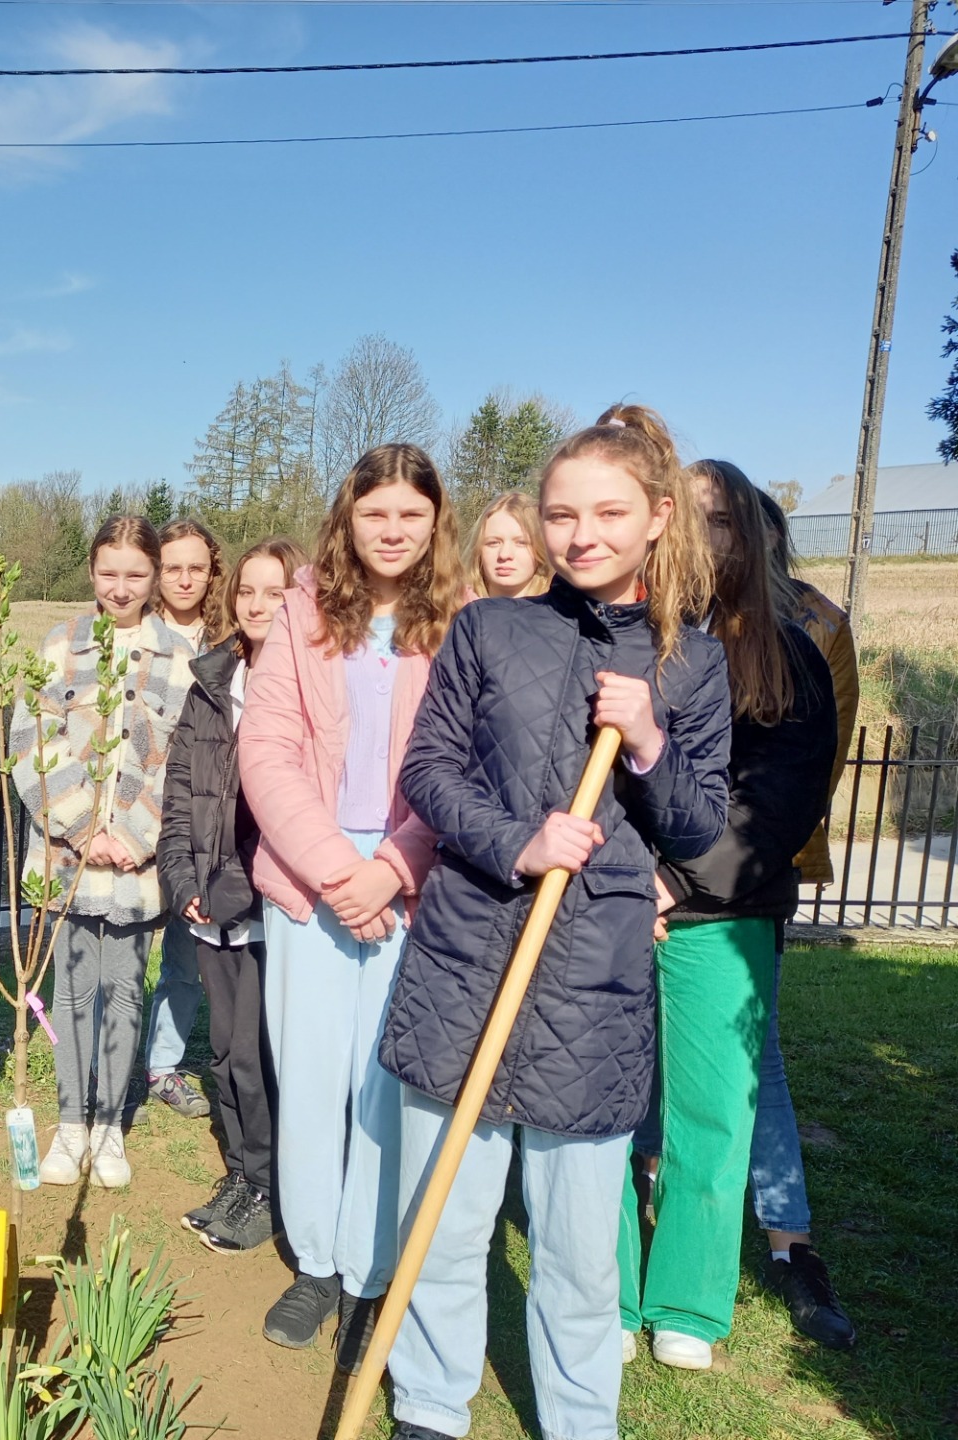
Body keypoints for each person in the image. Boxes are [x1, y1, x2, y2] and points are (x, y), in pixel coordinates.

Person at [378, 404, 731, 1440]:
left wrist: (649, 743)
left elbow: (702, 826)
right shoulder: (492, 628)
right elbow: (428, 772)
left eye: (609, 512)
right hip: (468, 961)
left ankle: (581, 1422)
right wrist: (516, 841)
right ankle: (431, 1407)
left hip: (592, 986)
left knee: (578, 1254)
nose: (583, 534)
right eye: (563, 513)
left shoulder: (692, 663)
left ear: (659, 516)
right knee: (441, 1224)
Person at [237, 446, 462, 1368]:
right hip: (310, 880)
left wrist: (397, 865)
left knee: (387, 1083)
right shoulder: (300, 615)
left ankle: (372, 1275)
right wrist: (338, 870)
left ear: (434, 523)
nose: (394, 531)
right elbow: (269, 753)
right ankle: (318, 1262)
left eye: (412, 515)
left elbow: (462, 764)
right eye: (377, 514)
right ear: (350, 518)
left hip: (411, 881)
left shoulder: (460, 624)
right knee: (313, 1075)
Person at [617, 458, 837, 1370]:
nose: (697, 540)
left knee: (713, 1116)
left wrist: (677, 884)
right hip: (626, 909)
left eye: (717, 521)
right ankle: (611, 1293)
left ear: (743, 534)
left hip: (721, 917)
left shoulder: (785, 656)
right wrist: (632, 879)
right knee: (616, 1112)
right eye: (685, 519)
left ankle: (686, 1306)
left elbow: (775, 805)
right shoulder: (641, 643)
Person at [16, 516, 193, 1190]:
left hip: (136, 866)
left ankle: (111, 1123)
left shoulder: (179, 656)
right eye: (109, 573)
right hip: (69, 859)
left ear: (154, 577)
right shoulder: (60, 645)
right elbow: (34, 740)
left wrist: (136, 836)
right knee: (71, 992)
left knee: (124, 990)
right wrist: (81, 828)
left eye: (136, 574)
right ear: (91, 573)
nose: (121, 588)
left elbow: (180, 760)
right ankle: (70, 1122)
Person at [157, 536, 305, 1254]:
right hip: (209, 902)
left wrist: (244, 890)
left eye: (274, 592)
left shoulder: (309, 683)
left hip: (268, 908)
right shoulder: (213, 682)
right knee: (220, 1050)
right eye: (248, 590)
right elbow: (180, 792)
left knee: (257, 1054)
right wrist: (183, 881)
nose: (257, 604)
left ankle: (271, 1187)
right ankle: (243, 1174)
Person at [749, 488, 860, 1350]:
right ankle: (654, 1193)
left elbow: (819, 755)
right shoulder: (683, 617)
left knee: (760, 1051)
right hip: (667, 876)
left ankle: (791, 1240)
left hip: (751, 871)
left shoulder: (815, 625)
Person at [142, 518, 226, 1121]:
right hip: (132, 819)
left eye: (197, 567)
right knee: (114, 958)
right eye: (173, 567)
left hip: (196, 825)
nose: (185, 578)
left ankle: (162, 1067)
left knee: (184, 957)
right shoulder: (134, 638)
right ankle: (106, 1067)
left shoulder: (229, 641)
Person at [465, 491, 552, 599]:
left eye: (521, 543)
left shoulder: (566, 611)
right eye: (493, 543)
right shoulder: (454, 611)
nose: (504, 555)